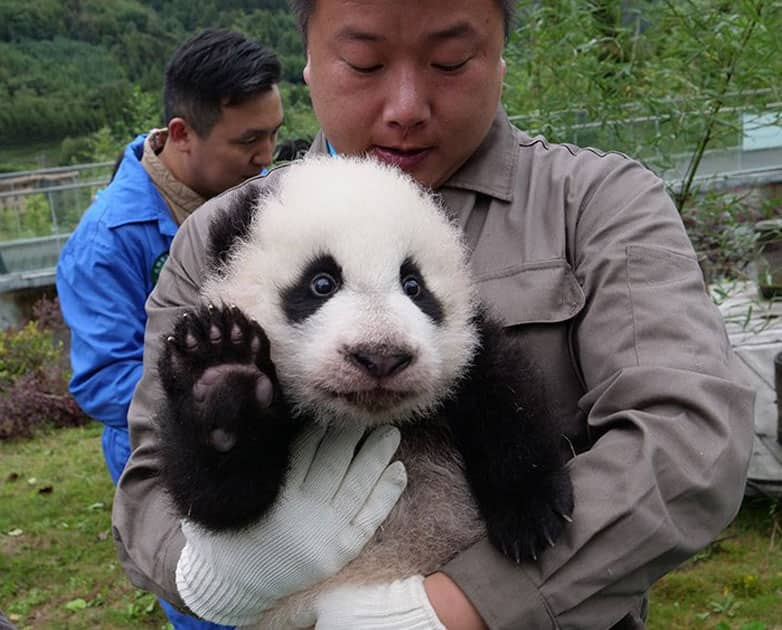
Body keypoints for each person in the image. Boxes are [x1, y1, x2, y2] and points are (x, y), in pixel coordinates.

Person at [112, 1, 755, 628]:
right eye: (364, 64)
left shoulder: (595, 203)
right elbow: (145, 487)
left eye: (450, 61)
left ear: (501, 56)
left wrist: (456, 608)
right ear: (307, 60)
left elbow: (691, 439)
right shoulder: (218, 237)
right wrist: (217, 574)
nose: (406, 110)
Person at [56, 28, 284, 630]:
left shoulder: (252, 196)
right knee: (214, 599)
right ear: (181, 135)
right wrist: (215, 393)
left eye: (275, 133)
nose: (268, 156)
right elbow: (104, 380)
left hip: (258, 428)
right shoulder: (107, 244)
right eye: (249, 140)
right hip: (170, 446)